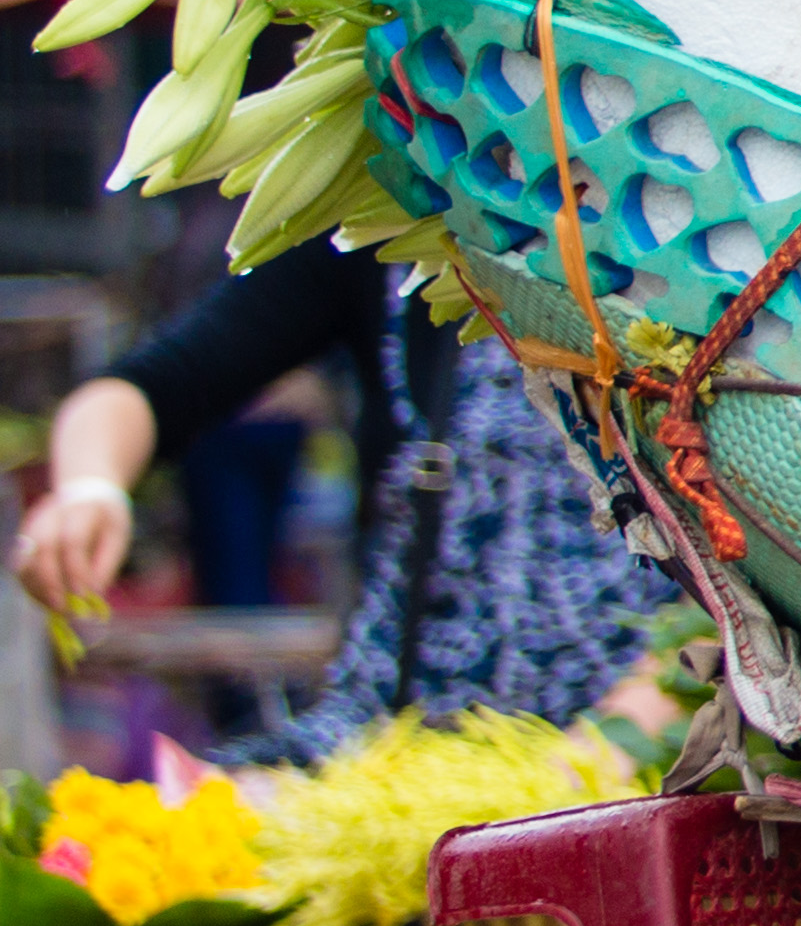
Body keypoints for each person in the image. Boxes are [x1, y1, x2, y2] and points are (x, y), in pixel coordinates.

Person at [17, 236, 674, 761]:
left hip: (641, 750)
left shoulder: (693, 250)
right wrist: (90, 489)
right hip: (388, 742)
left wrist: (625, 739)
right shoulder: (389, 233)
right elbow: (154, 385)